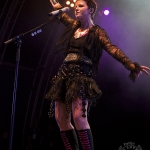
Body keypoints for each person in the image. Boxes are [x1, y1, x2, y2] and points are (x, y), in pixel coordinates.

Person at [45, 0, 150, 149]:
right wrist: (59, 9)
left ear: (91, 10)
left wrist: (131, 65)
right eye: (75, 7)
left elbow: (112, 49)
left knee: (78, 118)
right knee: (60, 118)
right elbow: (64, 17)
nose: (76, 9)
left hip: (81, 76)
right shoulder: (74, 26)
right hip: (64, 74)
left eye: (80, 6)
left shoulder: (97, 32)